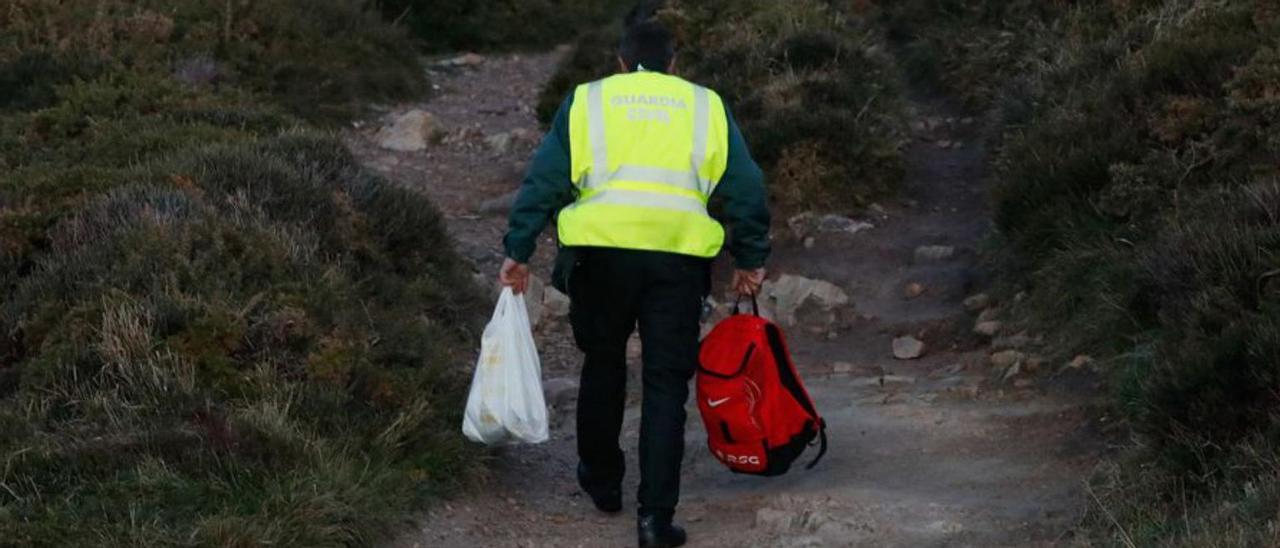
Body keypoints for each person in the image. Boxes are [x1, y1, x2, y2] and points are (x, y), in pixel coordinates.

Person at [498, 14, 770, 548]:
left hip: (599, 258)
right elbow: (746, 185)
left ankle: (602, 483)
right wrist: (750, 257)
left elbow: (546, 177)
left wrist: (519, 248)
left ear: (620, 62)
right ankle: (654, 520)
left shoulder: (588, 100)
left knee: (602, 363)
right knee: (666, 386)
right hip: (677, 261)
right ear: (674, 64)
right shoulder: (704, 104)